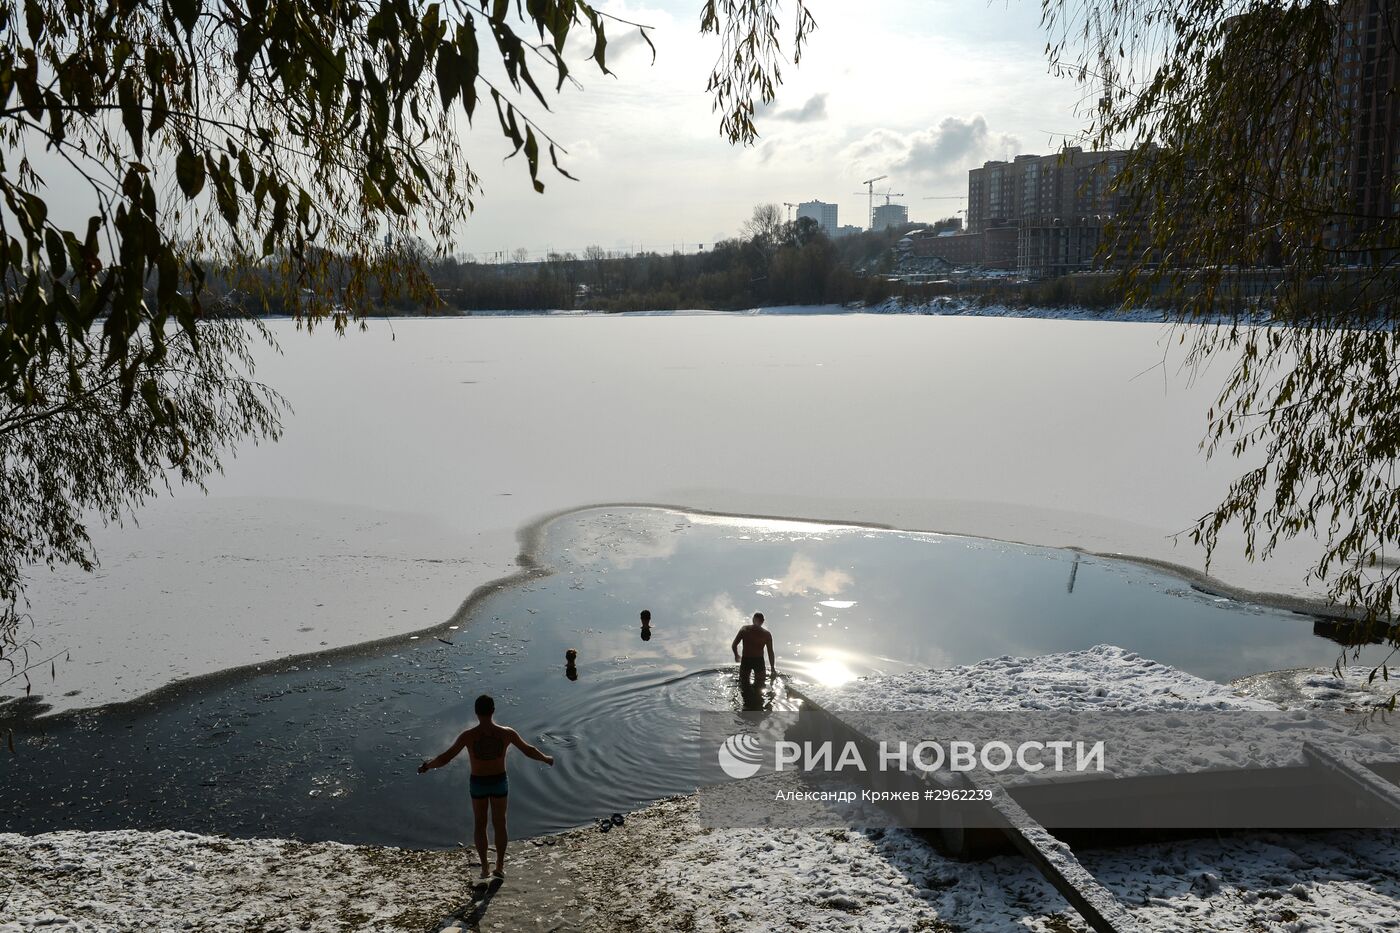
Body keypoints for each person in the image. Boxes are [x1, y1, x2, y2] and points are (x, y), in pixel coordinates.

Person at [417, 694, 555, 880]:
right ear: (493, 711)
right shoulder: (507, 733)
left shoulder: (468, 736)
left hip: (478, 783)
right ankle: (499, 866)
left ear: (476, 712)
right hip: (499, 781)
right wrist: (546, 758)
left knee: (480, 825)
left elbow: (445, 758)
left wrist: (427, 766)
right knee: (500, 823)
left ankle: (484, 868)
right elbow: (528, 749)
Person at [731, 612, 776, 690]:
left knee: (743, 685)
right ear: (762, 621)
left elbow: (734, 645)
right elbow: (770, 652)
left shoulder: (744, 629)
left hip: (746, 660)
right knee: (760, 685)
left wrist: (736, 655)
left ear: (753, 620)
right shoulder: (766, 634)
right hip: (758, 661)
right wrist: (772, 668)